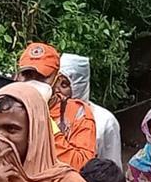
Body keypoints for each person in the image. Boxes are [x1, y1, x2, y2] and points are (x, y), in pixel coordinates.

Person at [16, 42, 97, 171]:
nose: (33, 83)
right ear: (17, 77)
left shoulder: (78, 113)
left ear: (57, 80)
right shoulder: (7, 108)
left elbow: (82, 166)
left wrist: (45, 121)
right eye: (28, 76)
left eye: (42, 77)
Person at [58, 54, 123, 169]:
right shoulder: (44, 114)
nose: (56, 90)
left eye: (64, 84)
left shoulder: (104, 120)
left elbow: (112, 169)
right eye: (54, 83)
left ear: (78, 86)